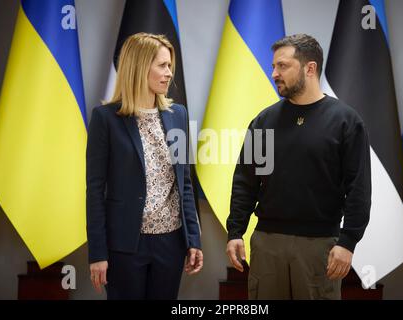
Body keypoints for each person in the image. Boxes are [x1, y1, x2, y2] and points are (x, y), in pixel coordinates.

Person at [226, 34, 371, 300]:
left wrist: (348, 242)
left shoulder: (346, 122)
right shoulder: (264, 121)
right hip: (267, 244)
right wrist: (236, 231)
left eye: (282, 66)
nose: (274, 73)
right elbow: (245, 181)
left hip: (319, 247)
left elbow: (359, 189)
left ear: (310, 68)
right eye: (273, 66)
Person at [86, 33, 203, 300]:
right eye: (162, 65)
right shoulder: (105, 119)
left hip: (171, 243)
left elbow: (185, 182)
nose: (169, 73)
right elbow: (95, 191)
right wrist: (98, 253)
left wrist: (194, 239)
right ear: (139, 67)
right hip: (125, 245)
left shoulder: (178, 114)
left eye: (170, 66)